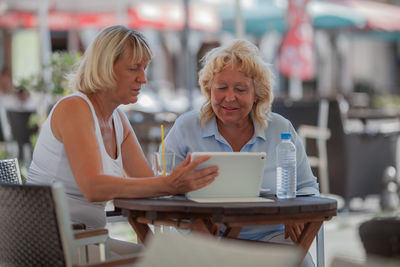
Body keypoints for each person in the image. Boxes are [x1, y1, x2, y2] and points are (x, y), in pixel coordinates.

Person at [26, 25, 218, 257]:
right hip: (52, 245)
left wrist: (194, 218)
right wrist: (169, 184)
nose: (144, 78)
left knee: (171, 260)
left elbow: (145, 187)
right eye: (134, 68)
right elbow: (93, 187)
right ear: (105, 68)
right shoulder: (74, 108)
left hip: (87, 240)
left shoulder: (118, 119)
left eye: (145, 68)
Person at [163, 39, 319, 266]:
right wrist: (189, 223)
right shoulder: (185, 128)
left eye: (240, 89)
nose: (229, 97)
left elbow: (307, 188)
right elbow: (164, 188)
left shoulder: (280, 129)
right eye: (221, 87)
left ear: (257, 93)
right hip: (203, 241)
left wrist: (297, 213)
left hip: (270, 239)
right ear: (208, 89)